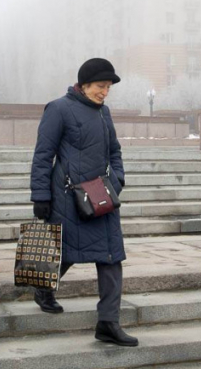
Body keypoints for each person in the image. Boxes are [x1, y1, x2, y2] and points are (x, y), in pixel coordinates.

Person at [29, 57, 137, 347]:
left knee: (111, 256)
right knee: (66, 251)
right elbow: (43, 155)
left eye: (108, 87)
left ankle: (108, 323)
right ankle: (42, 288)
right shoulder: (58, 109)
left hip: (102, 196)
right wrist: (40, 196)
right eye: (101, 86)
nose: (105, 92)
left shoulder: (105, 113)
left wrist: (117, 180)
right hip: (67, 197)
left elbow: (115, 150)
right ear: (84, 84)